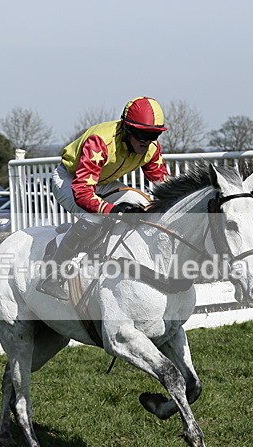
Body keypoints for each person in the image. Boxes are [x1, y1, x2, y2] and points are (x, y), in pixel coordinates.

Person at [36, 96, 170, 300]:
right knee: (97, 216)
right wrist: (113, 210)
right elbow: (82, 193)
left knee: (141, 202)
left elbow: (165, 185)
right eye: (141, 134)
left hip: (103, 181)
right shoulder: (100, 141)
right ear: (127, 129)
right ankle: (53, 274)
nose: (146, 141)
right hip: (70, 179)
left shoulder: (151, 148)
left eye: (153, 135)